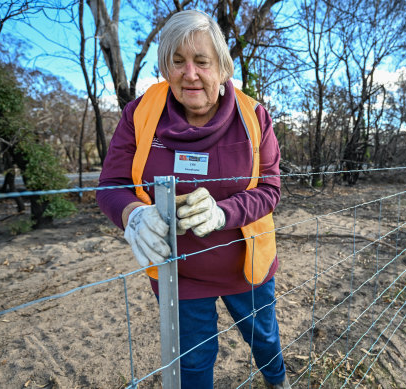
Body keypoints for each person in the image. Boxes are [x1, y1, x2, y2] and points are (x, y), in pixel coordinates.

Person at [96, 10, 289, 389]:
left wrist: (223, 213)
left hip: (245, 267)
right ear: (166, 67)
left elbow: (270, 189)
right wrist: (133, 215)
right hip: (178, 272)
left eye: (202, 61)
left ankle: (277, 381)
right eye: (177, 62)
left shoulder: (254, 117)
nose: (190, 73)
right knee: (194, 360)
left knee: (264, 338)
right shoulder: (140, 114)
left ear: (222, 67)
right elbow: (111, 185)